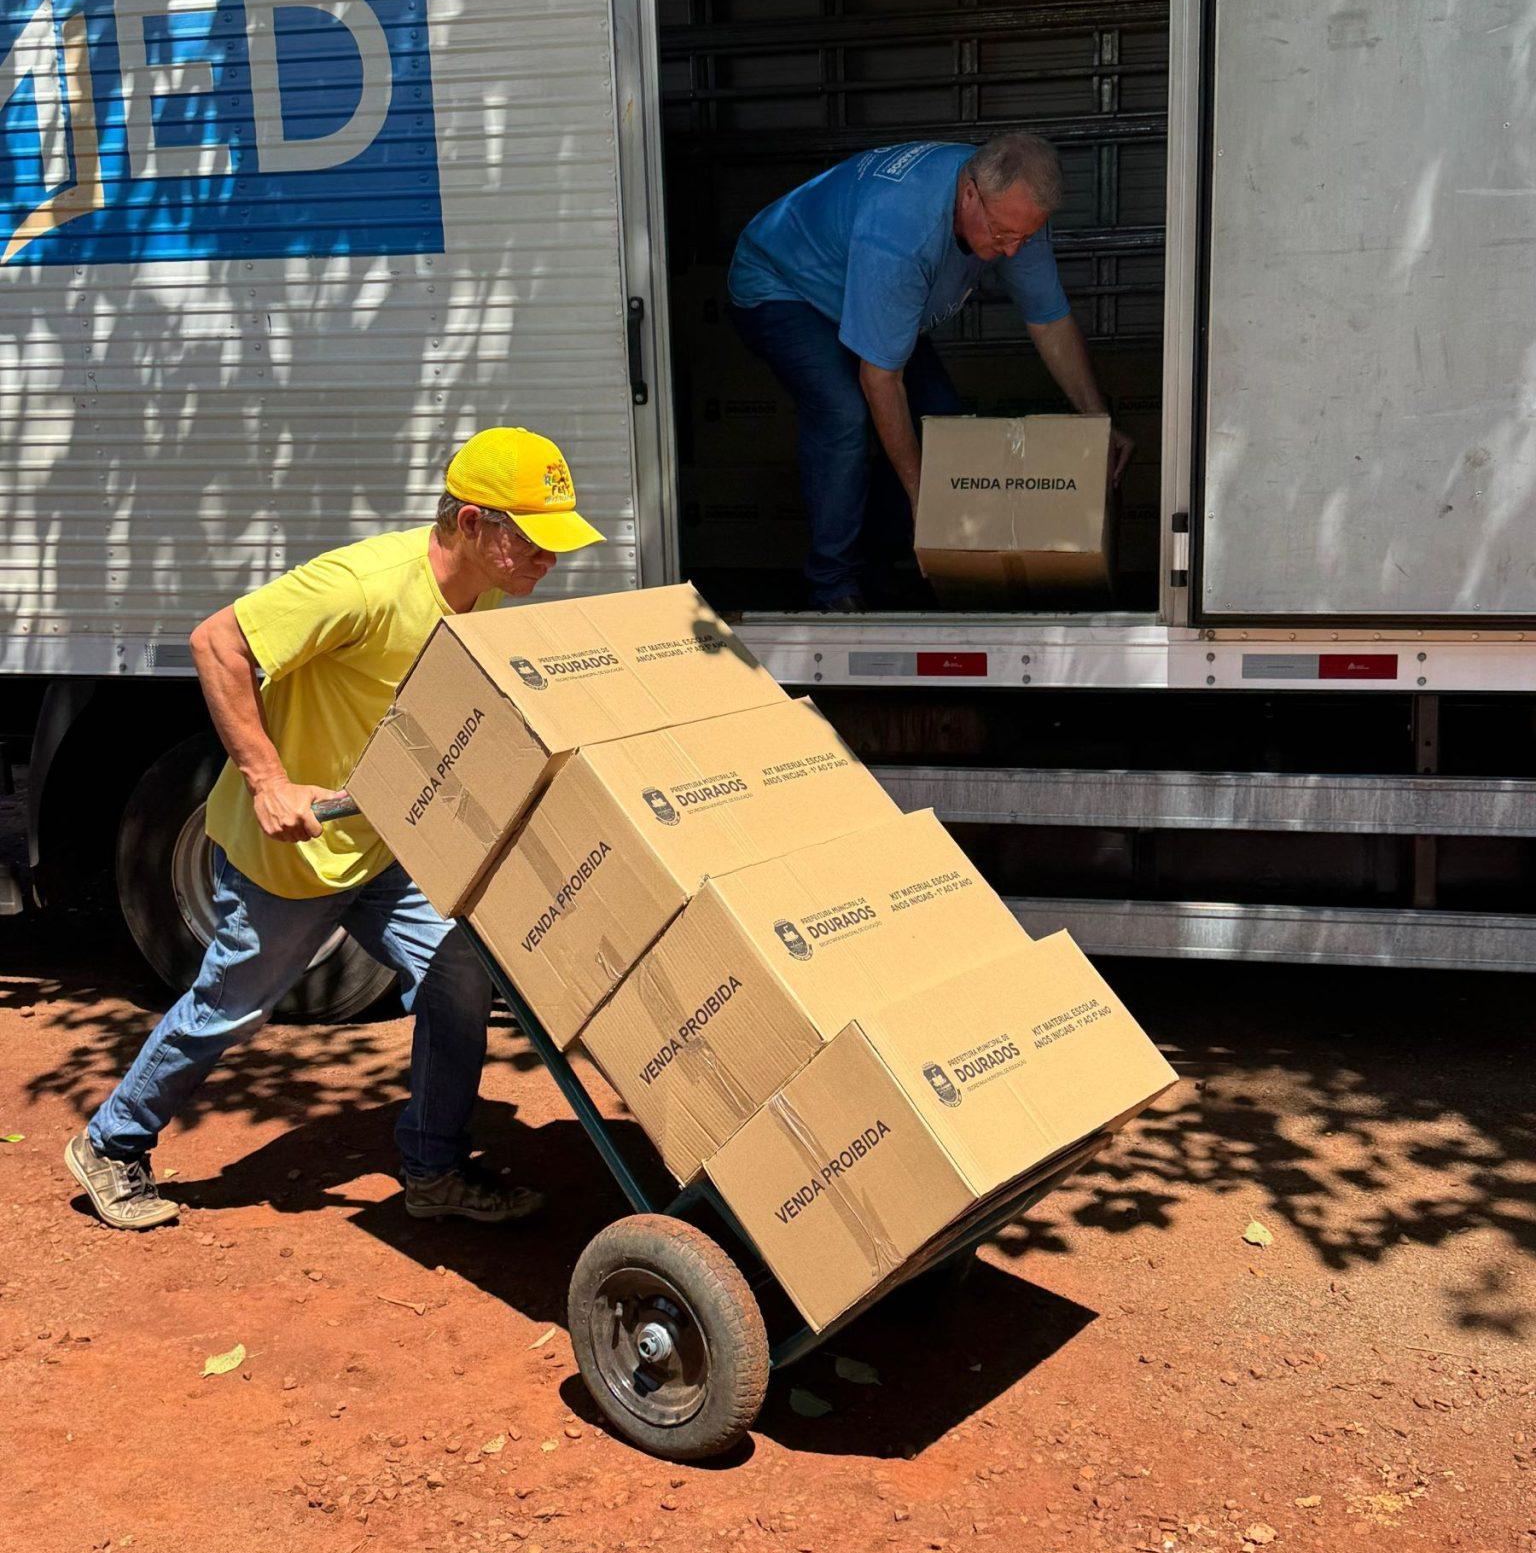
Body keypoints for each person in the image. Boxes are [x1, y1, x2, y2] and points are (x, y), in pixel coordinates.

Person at [64, 428, 605, 1232]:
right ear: (470, 525)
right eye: (532, 542)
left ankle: (432, 1168)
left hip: (386, 840)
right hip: (295, 854)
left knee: (459, 981)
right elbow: (218, 643)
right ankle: (112, 1142)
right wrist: (267, 781)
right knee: (230, 1008)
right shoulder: (365, 584)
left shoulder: (485, 592)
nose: (548, 562)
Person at [727, 133, 1133, 611]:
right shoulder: (901, 230)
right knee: (843, 414)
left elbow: (1049, 320)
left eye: (1023, 238)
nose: (1010, 252)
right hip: (783, 284)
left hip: (861, 285)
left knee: (941, 422)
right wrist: (924, 497)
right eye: (1003, 234)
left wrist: (1096, 422)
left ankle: (877, 566)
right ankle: (833, 584)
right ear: (969, 195)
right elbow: (880, 380)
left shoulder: (1015, 213)